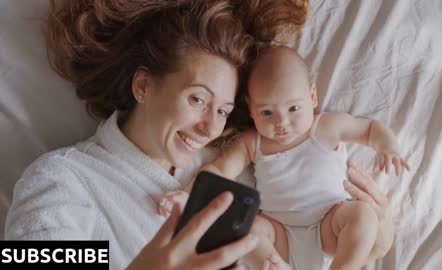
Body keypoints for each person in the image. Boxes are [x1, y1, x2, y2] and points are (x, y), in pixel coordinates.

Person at [4, 1, 310, 269]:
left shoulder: (230, 171)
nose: (210, 128)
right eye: (197, 100)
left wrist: (348, 211)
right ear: (143, 86)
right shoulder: (65, 181)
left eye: (222, 111)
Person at [158, 46, 407, 270]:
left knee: (363, 215)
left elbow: (370, 129)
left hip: (329, 222)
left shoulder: (327, 126)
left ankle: (343, 267)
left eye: (293, 108)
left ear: (312, 96)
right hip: (279, 234)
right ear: (250, 107)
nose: (281, 123)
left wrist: (387, 146)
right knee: (249, 231)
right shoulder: (252, 142)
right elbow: (219, 171)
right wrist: (187, 195)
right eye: (266, 112)